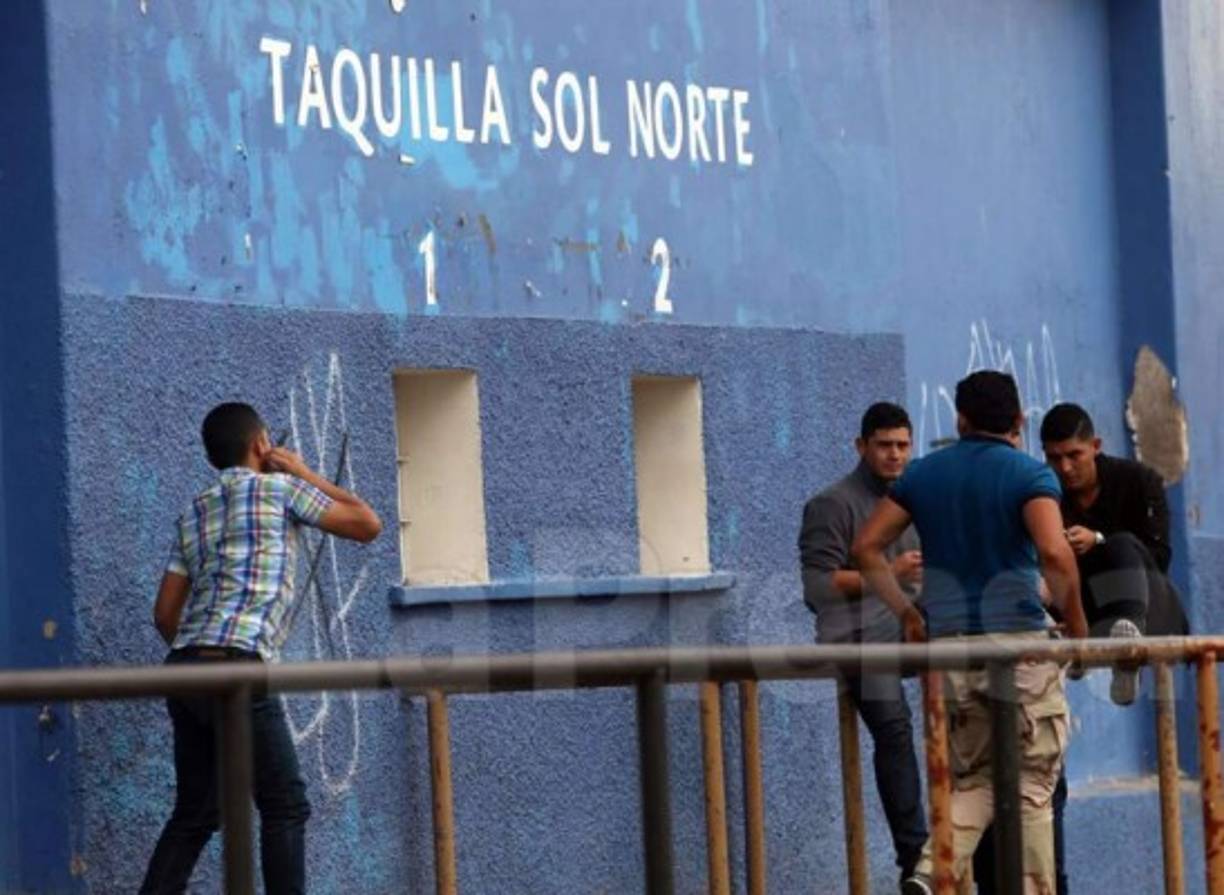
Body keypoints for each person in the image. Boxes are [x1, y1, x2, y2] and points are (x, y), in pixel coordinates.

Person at [853, 371, 1088, 895]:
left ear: (960, 420)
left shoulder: (923, 475)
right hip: (1021, 647)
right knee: (1031, 789)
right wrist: (1077, 629)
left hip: (953, 651)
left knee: (973, 782)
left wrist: (909, 614)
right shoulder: (1030, 475)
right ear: (1019, 421)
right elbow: (1054, 553)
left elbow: (867, 547)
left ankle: (929, 869)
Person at [140, 402, 381, 895]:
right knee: (284, 804)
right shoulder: (281, 490)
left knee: (195, 813)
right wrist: (305, 471)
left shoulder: (194, 510)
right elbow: (367, 524)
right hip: (240, 666)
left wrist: (198, 653)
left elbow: (165, 614)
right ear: (261, 446)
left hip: (184, 668)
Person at [798, 402, 927, 885]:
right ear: (861, 446)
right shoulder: (832, 504)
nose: (894, 455)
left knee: (971, 699)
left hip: (911, 626)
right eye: (884, 445)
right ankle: (915, 864)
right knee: (894, 728)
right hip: (854, 637)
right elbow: (817, 589)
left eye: (902, 446)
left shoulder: (915, 499)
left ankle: (972, 841)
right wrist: (885, 575)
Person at [1040, 402, 1189, 705]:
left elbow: (1159, 558)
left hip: (1150, 609)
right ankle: (1071, 648)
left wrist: (1098, 540)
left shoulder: (1139, 480)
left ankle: (1126, 652)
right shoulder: (1042, 493)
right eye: (1054, 458)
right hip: (1083, 610)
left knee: (1121, 544)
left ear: (1095, 446)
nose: (1065, 468)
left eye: (1074, 455)